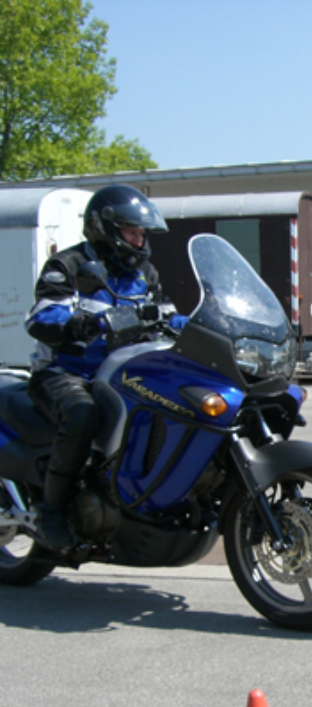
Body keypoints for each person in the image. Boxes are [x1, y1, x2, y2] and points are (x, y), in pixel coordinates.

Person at [24, 184, 186, 552]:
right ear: (106, 229)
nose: (139, 239)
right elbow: (40, 317)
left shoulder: (144, 272)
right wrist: (80, 324)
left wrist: (204, 327)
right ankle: (52, 511)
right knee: (82, 416)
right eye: (132, 231)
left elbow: (168, 315)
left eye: (142, 232)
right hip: (66, 374)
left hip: (122, 374)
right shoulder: (68, 265)